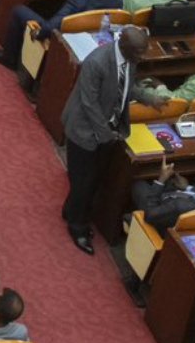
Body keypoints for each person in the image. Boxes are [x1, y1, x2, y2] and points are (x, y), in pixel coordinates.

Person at [61, 25, 147, 253]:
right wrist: (106, 134)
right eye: (139, 51)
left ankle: (71, 210)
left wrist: (150, 98)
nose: (142, 56)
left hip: (108, 128)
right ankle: (76, 226)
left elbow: (127, 88)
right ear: (124, 46)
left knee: (94, 177)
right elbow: (89, 103)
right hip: (84, 129)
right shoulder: (97, 62)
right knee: (84, 180)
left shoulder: (130, 58)